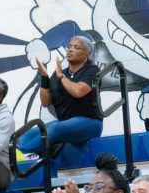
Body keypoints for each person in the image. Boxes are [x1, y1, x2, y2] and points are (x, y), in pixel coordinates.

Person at [18, 34, 104, 166]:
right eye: (69, 46)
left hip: (90, 122)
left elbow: (78, 91)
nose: (70, 50)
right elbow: (46, 102)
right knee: (32, 132)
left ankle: (21, 154)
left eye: (76, 47)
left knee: (55, 128)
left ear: (87, 53)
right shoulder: (59, 73)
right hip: (64, 123)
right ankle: (21, 152)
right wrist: (45, 78)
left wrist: (60, 76)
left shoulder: (92, 71)